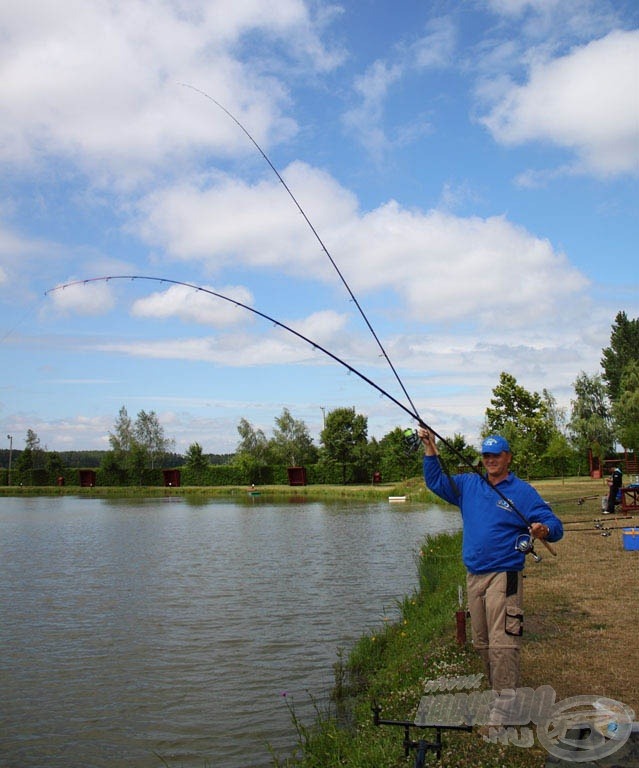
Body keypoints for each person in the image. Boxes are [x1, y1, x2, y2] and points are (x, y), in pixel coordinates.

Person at [418, 429, 563, 694]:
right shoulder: (468, 484)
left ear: (508, 457)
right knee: (482, 643)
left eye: (496, 455)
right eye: (486, 455)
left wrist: (544, 529)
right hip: (474, 574)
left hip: (504, 574)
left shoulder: (522, 491)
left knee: (503, 643)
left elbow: (555, 524)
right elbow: (436, 482)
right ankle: (498, 691)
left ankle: (505, 711)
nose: (491, 460)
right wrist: (430, 448)